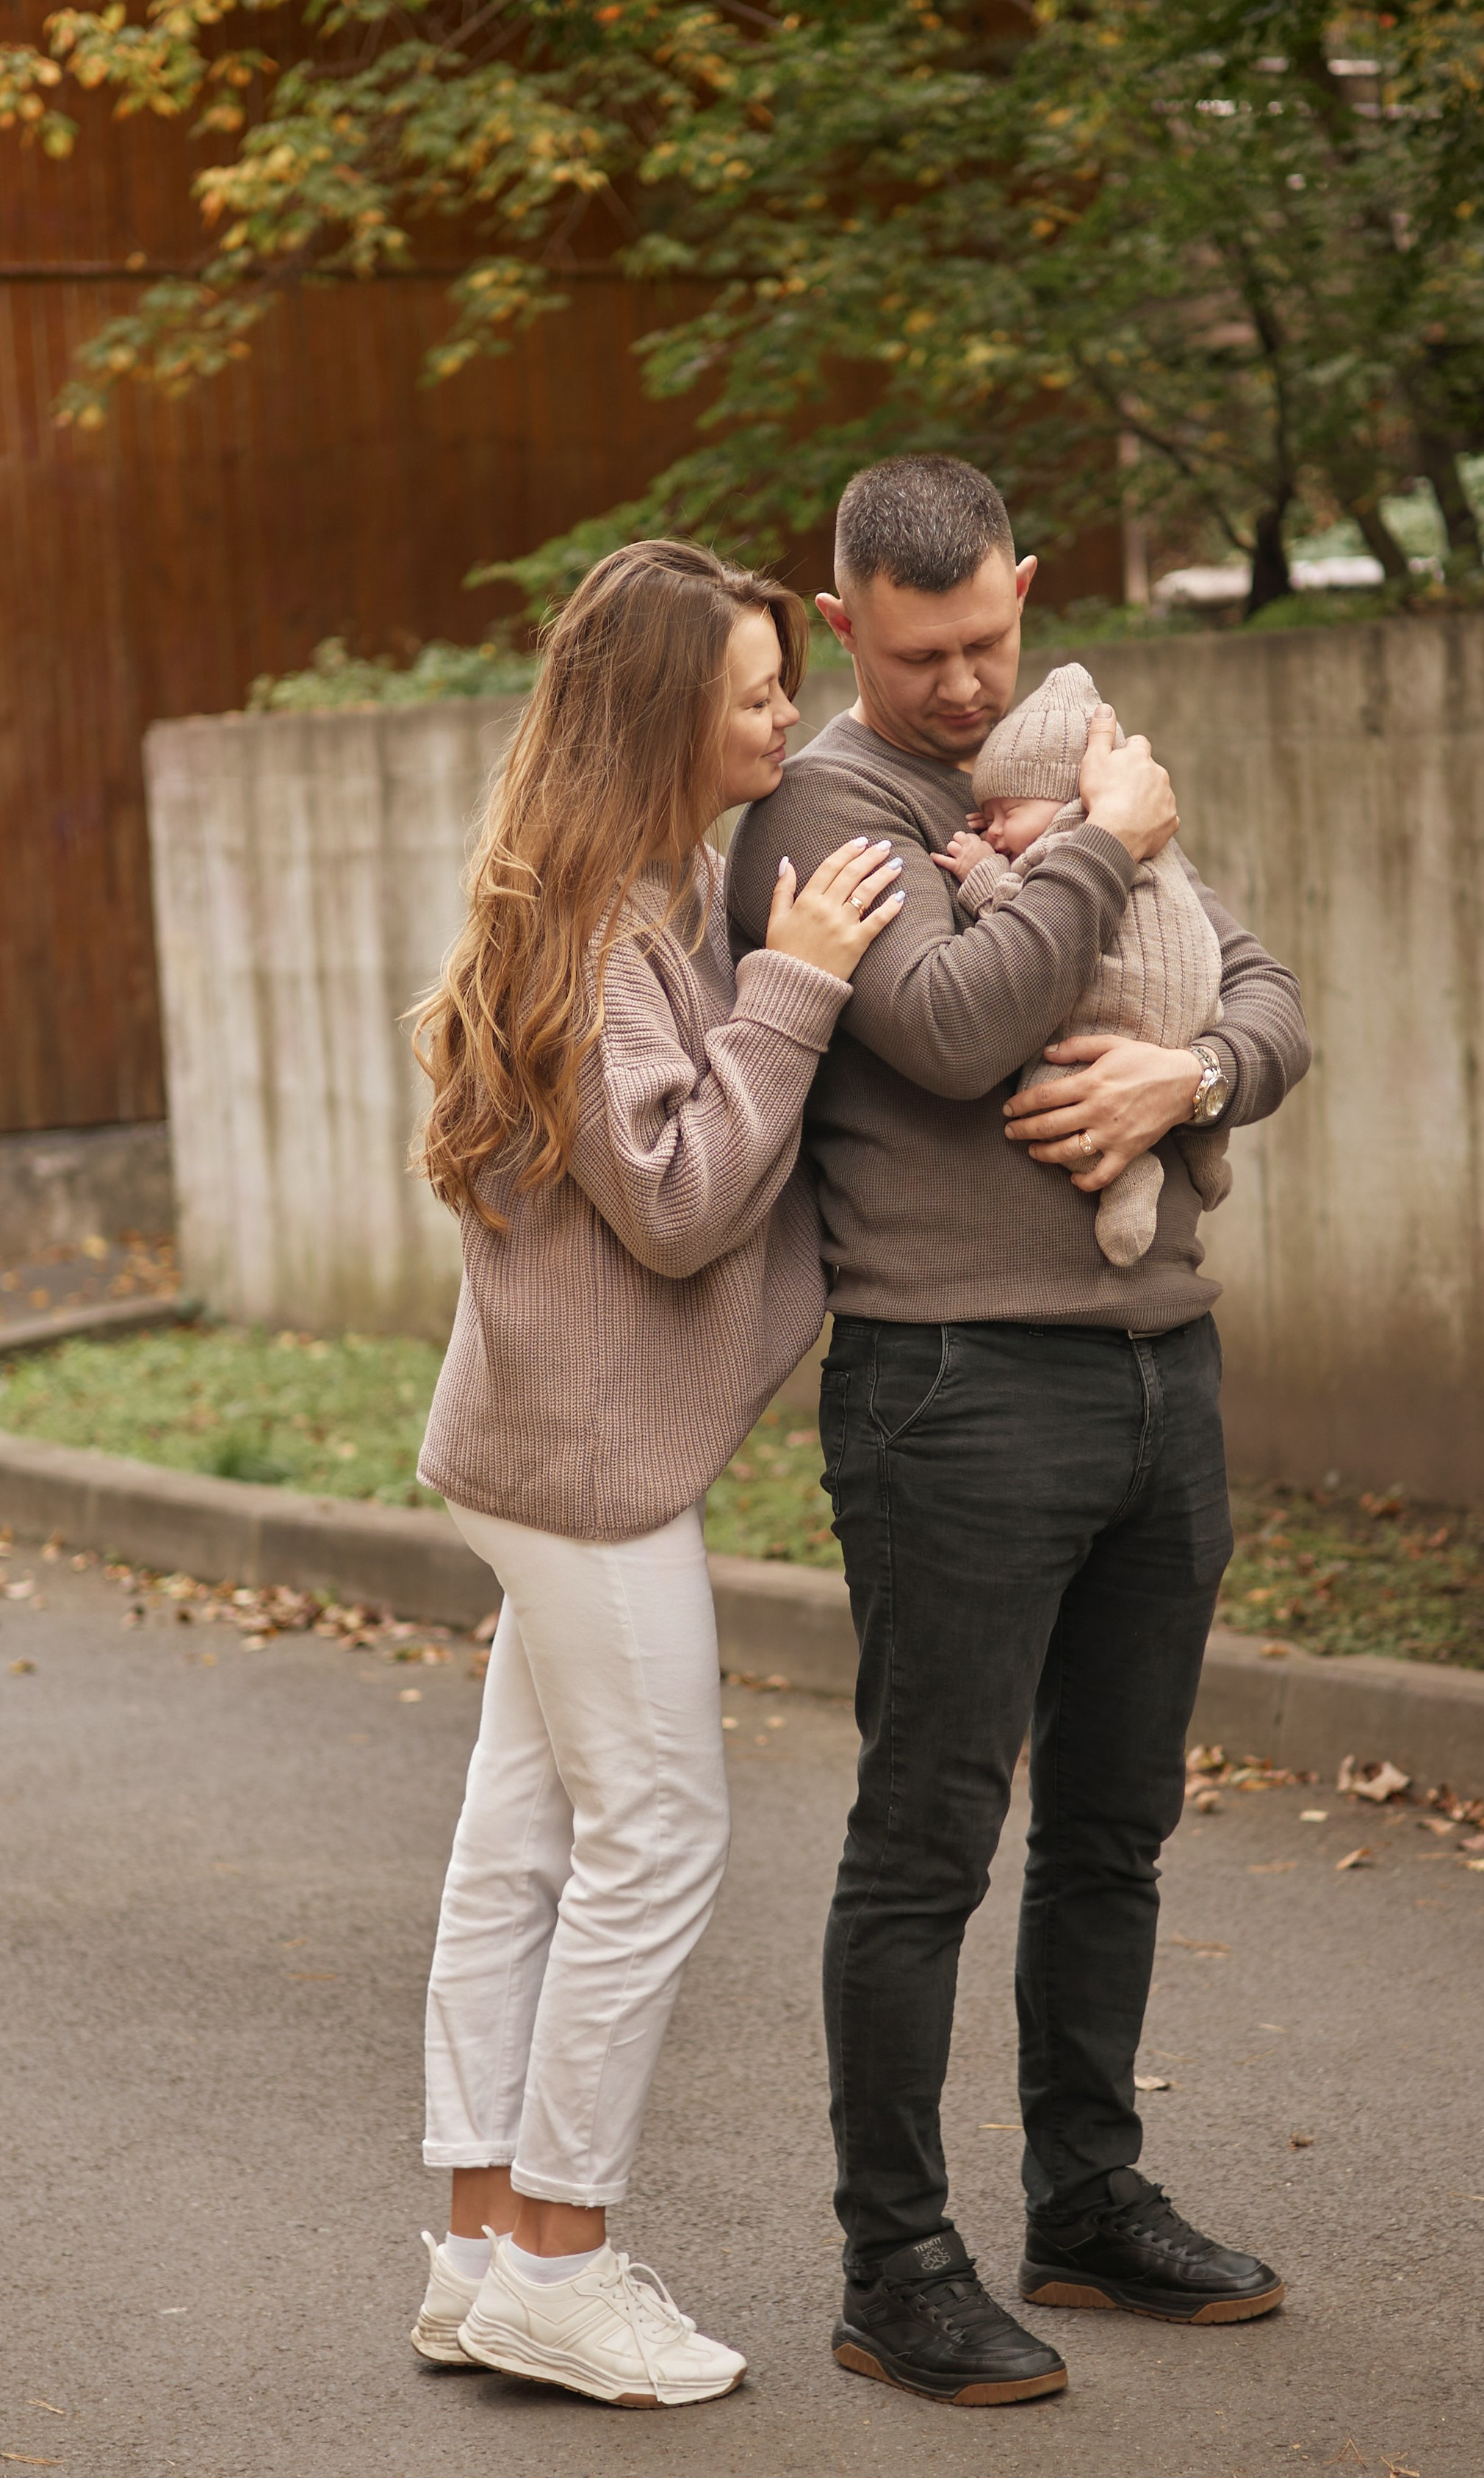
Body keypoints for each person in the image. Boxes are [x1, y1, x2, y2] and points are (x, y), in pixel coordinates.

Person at [726, 456, 1311, 2408]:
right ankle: (897, 2264)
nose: (966, 688)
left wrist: (1186, 1070)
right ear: (840, 629)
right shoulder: (826, 804)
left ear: (1027, 589)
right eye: (919, 657)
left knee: (1118, 1827)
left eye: (989, 639)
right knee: (928, 1841)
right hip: (957, 1387)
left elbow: (1270, 996)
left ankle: (1092, 2197)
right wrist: (1103, 841)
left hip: (1162, 1368)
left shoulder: (1078, 763)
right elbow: (962, 1025)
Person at [407, 539, 903, 2408]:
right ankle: (567, 2250)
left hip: (533, 1436)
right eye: (758, 689)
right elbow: (686, 1204)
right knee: (657, 1833)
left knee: (523, 1838)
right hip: (584, 1465)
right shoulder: (607, 926)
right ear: (663, 713)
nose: (786, 714)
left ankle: (477, 2249)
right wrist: (797, 990)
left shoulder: (625, 883)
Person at [936, 659, 1232, 1267]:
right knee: (1191, 1070)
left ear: (1072, 794)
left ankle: (1128, 1177)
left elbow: (1016, 919)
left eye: (1005, 812)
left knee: (1050, 1096)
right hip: (1200, 1012)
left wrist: (979, 872)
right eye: (983, 817)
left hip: (1113, 1028)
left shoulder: (1078, 840)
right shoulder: (1154, 845)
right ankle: (1207, 1154)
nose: (991, 831)